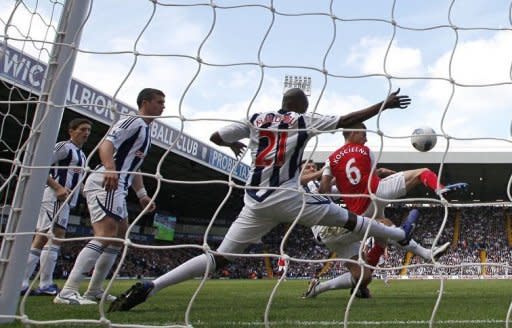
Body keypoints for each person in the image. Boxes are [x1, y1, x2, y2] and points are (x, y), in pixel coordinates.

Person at [109, 87, 416, 312]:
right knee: (347, 218)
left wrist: (235, 144)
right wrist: (384, 105)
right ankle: (400, 235)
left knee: (220, 256)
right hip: (289, 197)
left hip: (255, 201)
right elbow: (349, 118)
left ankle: (151, 286)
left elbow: (217, 136)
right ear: (301, 105)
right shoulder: (302, 120)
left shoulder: (256, 118)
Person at [54, 88, 165, 305]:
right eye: (159, 101)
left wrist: (142, 194)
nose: (163, 106)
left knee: (119, 238)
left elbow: (135, 167)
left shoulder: (146, 131)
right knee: (106, 234)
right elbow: (107, 143)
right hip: (105, 181)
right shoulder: (132, 121)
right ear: (145, 102)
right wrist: (109, 168)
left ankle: (94, 290)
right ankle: (67, 292)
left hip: (119, 186)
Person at [318, 122, 465, 269]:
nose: (366, 139)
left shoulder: (331, 159)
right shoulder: (365, 150)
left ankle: (424, 254)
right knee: (422, 172)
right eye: (364, 134)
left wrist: (339, 180)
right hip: (377, 192)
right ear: (353, 132)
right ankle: (441, 189)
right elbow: (371, 175)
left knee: (384, 230)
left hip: (359, 212)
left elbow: (324, 190)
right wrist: (383, 173)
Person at [299, 160, 447, 299]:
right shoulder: (297, 185)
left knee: (363, 276)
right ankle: (426, 253)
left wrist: (374, 173)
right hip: (327, 229)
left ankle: (317, 288)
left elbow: (348, 185)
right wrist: (325, 172)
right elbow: (317, 189)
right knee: (383, 223)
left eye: (314, 167)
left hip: (337, 230)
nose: (312, 168)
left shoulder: (323, 187)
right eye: (308, 167)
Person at [21, 118, 92, 296]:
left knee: (52, 237)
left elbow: (77, 181)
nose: (86, 133)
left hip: (66, 201)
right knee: (46, 235)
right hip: (53, 196)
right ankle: (27, 282)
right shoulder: (64, 147)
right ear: (71, 131)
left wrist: (87, 194)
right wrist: (57, 187)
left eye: (88, 131)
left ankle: (42, 283)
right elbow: (41, 165)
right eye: (83, 129)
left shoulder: (82, 155)